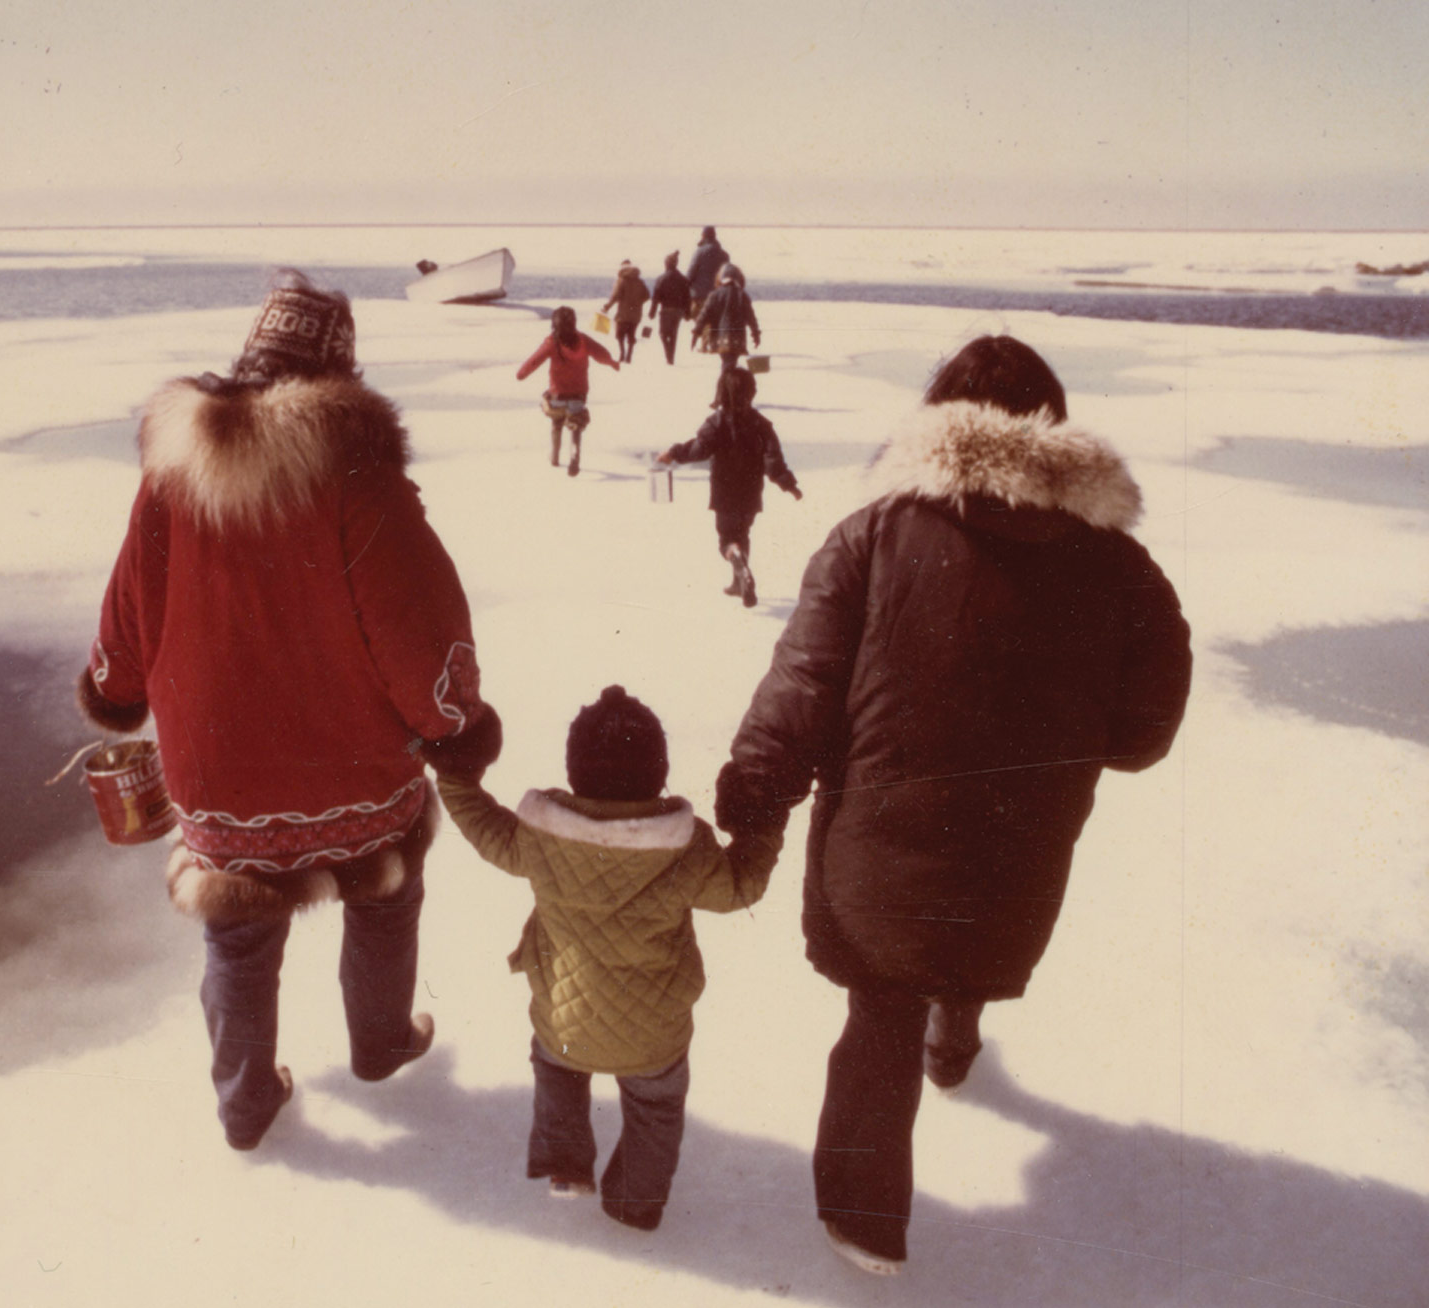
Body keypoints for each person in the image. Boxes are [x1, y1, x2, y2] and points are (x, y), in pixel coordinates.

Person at [713, 335, 1192, 1275]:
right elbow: (1144, 735)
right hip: (1020, 861)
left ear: (938, 423)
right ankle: (957, 1041)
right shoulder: (1121, 568)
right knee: (962, 944)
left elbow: (802, 687)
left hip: (877, 855)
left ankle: (862, 1225)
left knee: (880, 1007)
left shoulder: (876, 534)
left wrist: (756, 796)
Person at [78, 269, 504, 1152]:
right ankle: (381, 1044)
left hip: (217, 766)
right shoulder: (359, 479)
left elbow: (129, 610)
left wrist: (116, 692)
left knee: (237, 932)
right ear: (337, 375)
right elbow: (418, 626)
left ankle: (244, 1103)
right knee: (385, 894)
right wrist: (454, 725)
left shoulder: (171, 476)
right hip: (350, 758)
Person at [424, 685, 778, 1232]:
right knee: (655, 1110)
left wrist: (455, 777)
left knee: (557, 1069)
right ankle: (636, 1202)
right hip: (655, 1033)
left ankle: (566, 1165)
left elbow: (486, 829)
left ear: (574, 774)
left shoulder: (542, 838)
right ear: (659, 774)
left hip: (564, 1017)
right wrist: (762, 827)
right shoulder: (685, 847)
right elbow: (740, 888)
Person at [656, 367, 802, 607]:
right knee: (743, 533)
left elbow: (698, 450)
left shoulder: (715, 423)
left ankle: (734, 558)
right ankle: (739, 579)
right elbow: (773, 460)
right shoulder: (761, 425)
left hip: (724, 493)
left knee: (727, 539)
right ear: (752, 392)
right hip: (751, 493)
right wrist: (789, 485)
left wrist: (673, 453)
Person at [515, 306, 620, 477]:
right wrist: (612, 363)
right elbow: (601, 354)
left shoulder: (551, 342)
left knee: (556, 422)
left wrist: (521, 374)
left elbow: (535, 360)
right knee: (576, 425)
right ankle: (575, 453)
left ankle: (555, 457)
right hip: (578, 394)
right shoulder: (583, 340)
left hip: (557, 394)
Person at [690, 263, 760, 373]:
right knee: (731, 363)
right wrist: (755, 334)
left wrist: (696, 333)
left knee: (727, 363)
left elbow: (704, 315)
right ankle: (728, 384)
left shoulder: (715, 295)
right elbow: (751, 317)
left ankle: (726, 384)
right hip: (737, 339)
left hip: (720, 339)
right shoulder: (742, 295)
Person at [601, 259, 652, 363]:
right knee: (631, 334)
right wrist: (638, 302)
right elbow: (647, 295)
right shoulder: (640, 281)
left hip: (623, 314)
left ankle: (622, 354)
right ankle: (629, 356)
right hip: (636, 313)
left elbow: (615, 296)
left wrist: (607, 306)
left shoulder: (622, 280)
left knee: (619, 335)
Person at [647, 250, 692, 366]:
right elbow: (687, 298)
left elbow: (656, 297)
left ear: (667, 264)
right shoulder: (683, 279)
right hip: (678, 311)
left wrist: (652, 312)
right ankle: (670, 358)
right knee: (673, 334)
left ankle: (668, 356)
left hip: (666, 310)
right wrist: (688, 313)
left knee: (662, 333)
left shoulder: (661, 279)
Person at [684, 225, 730, 315]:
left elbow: (690, 276)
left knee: (703, 326)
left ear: (703, 236)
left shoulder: (699, 252)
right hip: (718, 298)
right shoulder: (724, 255)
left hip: (700, 298)